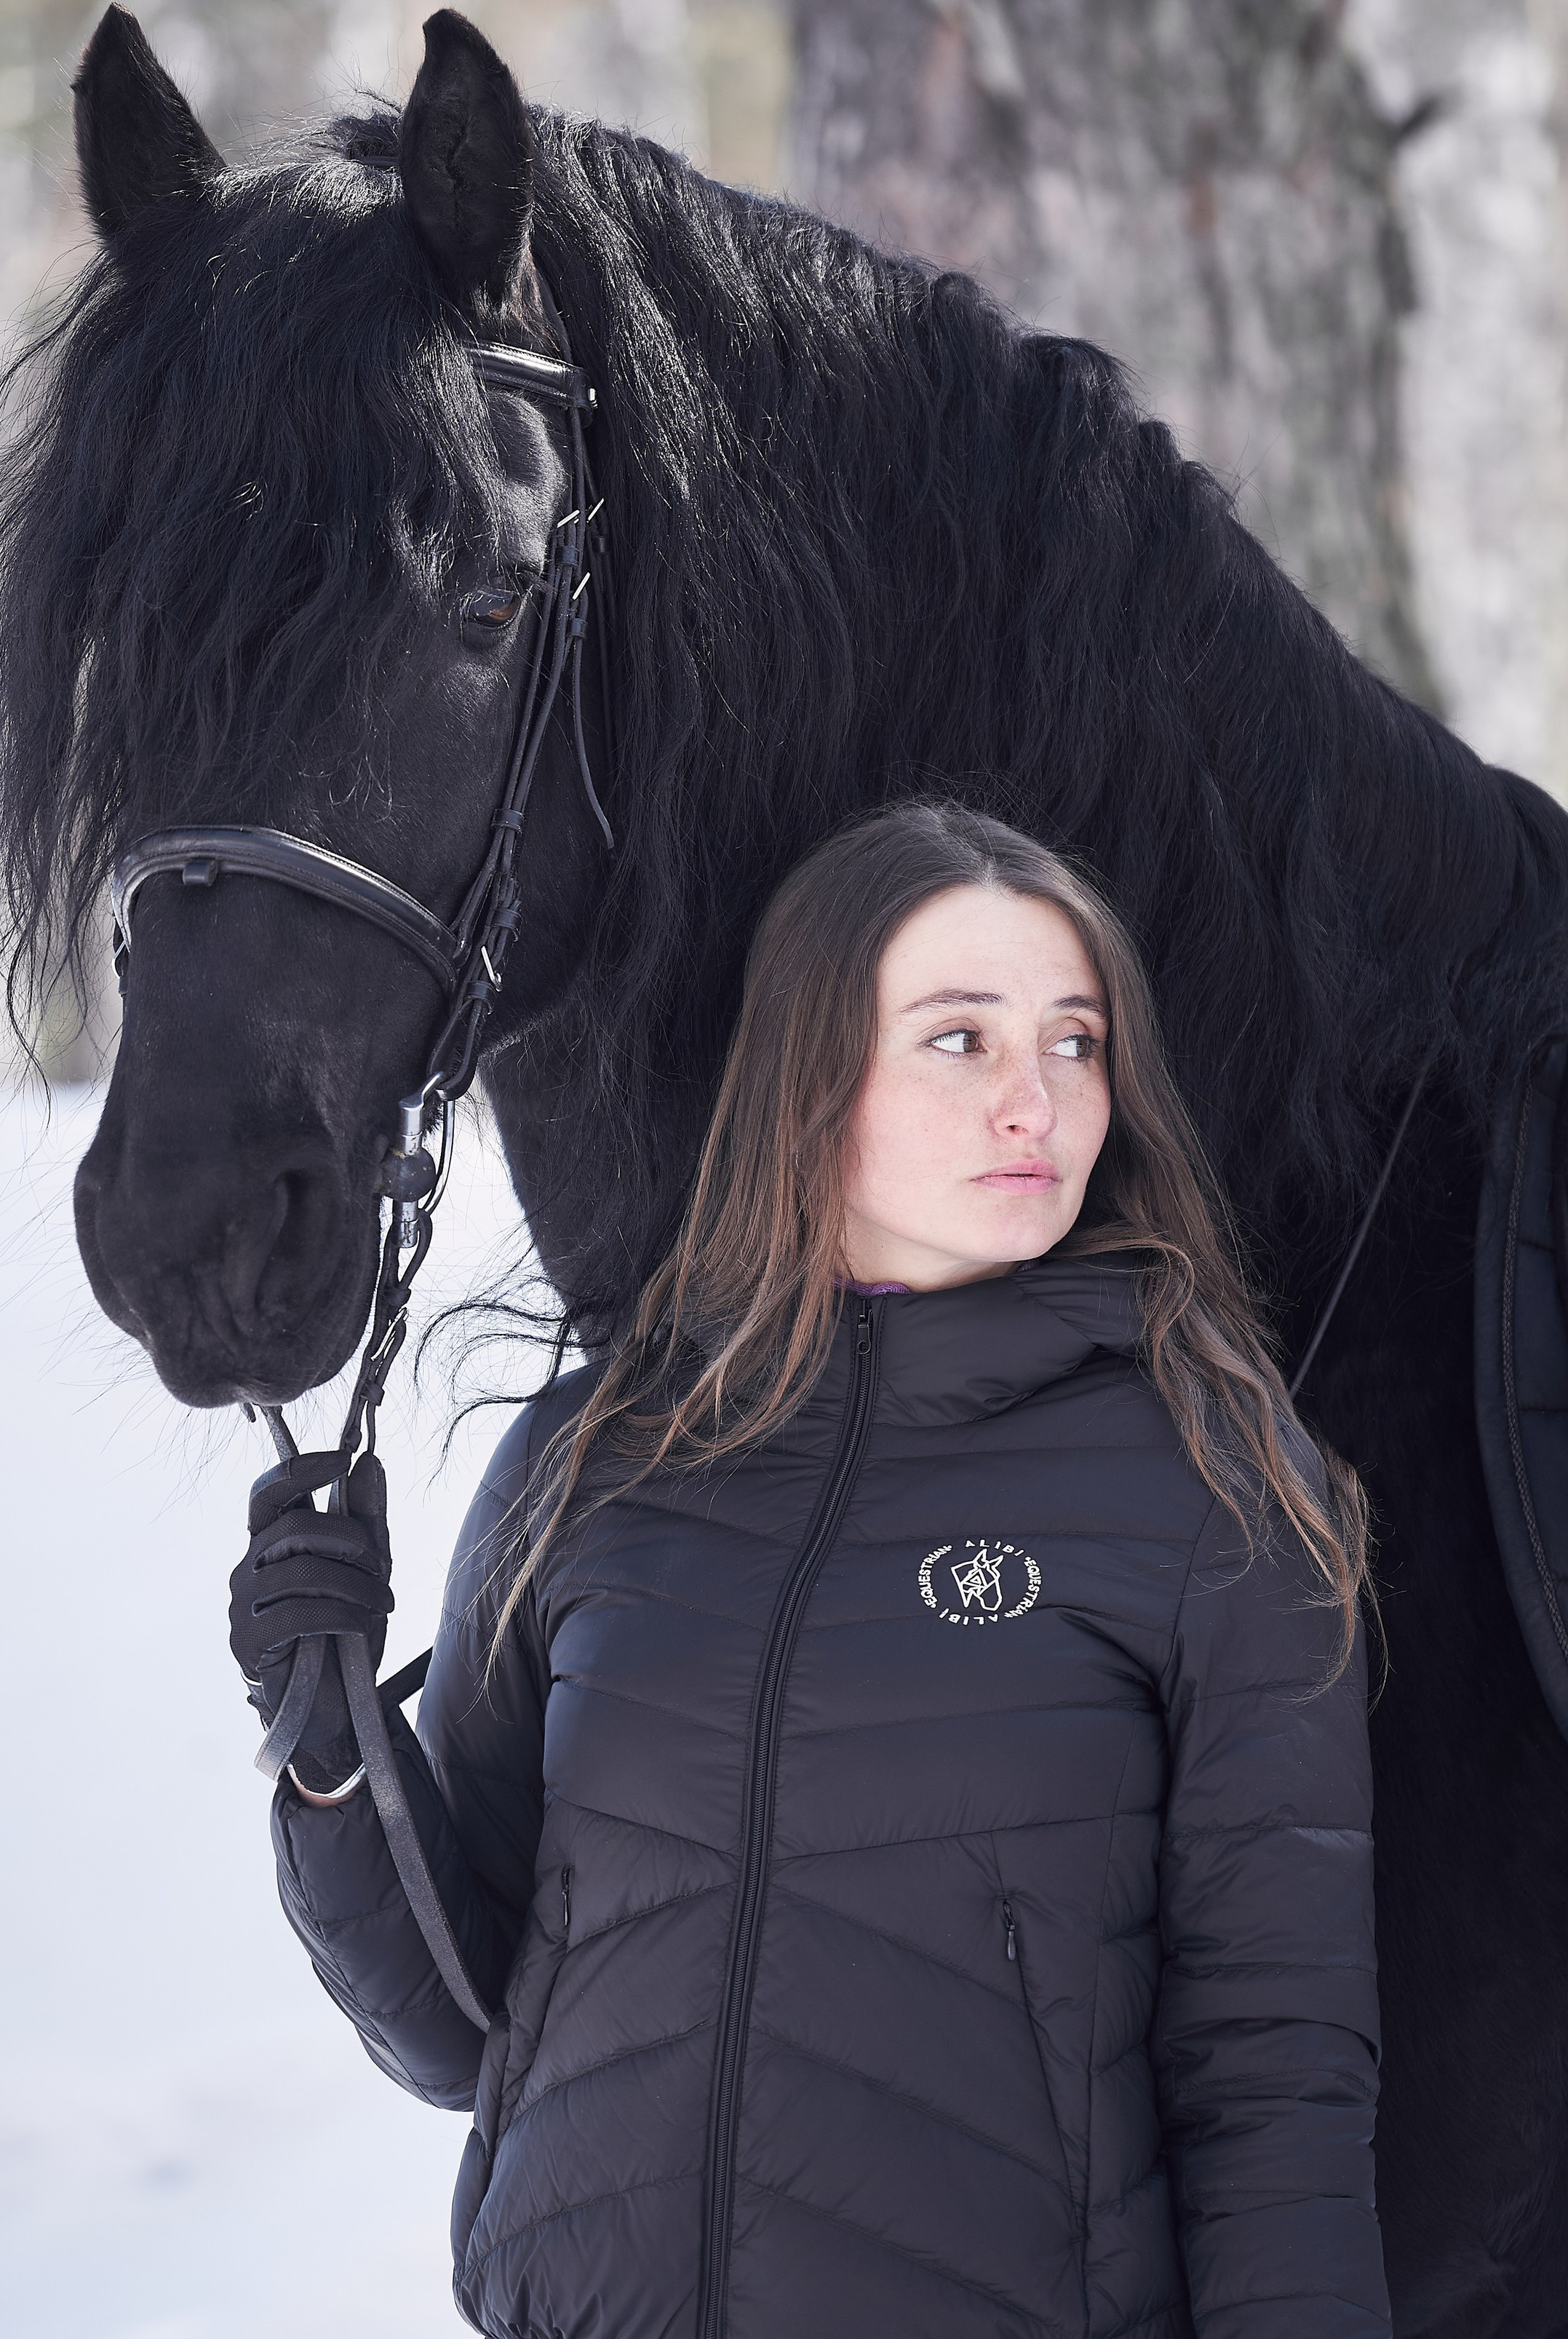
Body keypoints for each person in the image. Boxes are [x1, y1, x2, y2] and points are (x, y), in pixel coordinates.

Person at [230, 802, 1390, 2339]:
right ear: (811, 1066)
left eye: (1073, 1041)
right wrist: (327, 1747)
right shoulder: (600, 1457)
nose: (1032, 1099)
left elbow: (1273, 2074)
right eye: (960, 1039)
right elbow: (465, 2025)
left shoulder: (1200, 1479)